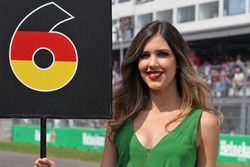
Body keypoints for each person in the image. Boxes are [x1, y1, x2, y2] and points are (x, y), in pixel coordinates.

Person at [34, 21, 223, 167]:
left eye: (162, 54)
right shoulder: (120, 117)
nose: (152, 63)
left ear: (179, 60)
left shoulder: (204, 123)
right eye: (144, 55)